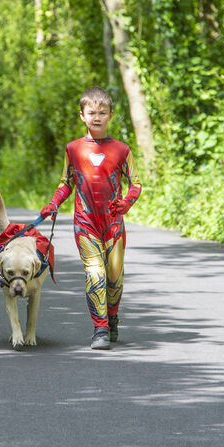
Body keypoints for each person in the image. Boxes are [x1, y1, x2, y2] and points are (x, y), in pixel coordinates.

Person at [40, 86, 142, 350]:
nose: (97, 117)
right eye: (91, 112)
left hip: (113, 225)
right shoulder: (73, 149)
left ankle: (112, 316)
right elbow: (66, 183)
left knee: (114, 277)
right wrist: (53, 203)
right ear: (82, 116)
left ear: (110, 116)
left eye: (102, 112)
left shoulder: (122, 150)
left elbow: (136, 184)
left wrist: (126, 203)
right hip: (85, 223)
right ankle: (100, 329)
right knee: (95, 273)